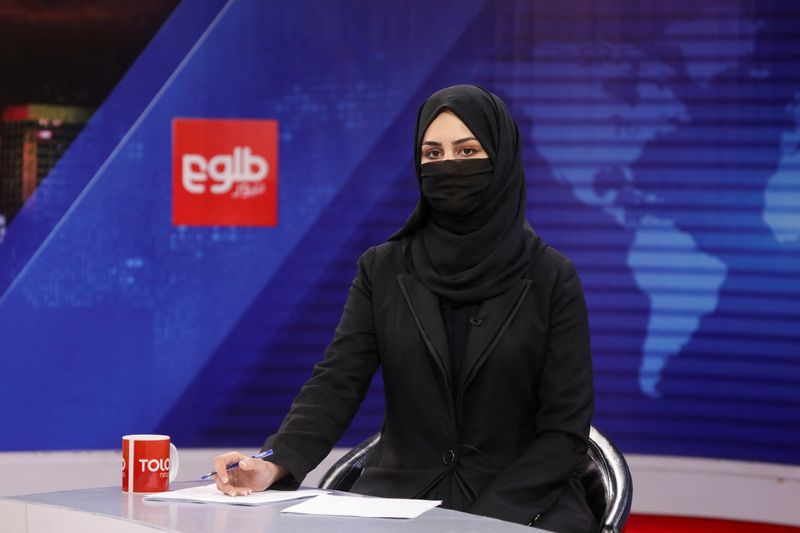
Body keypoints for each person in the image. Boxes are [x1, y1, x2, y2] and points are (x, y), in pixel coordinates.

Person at [211, 85, 597, 533]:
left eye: (467, 150)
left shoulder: (551, 277)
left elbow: (565, 431)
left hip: (520, 502)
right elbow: (336, 382)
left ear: (503, 160)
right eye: (432, 154)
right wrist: (273, 462)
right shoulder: (383, 268)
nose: (448, 165)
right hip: (398, 500)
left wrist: (485, 521)